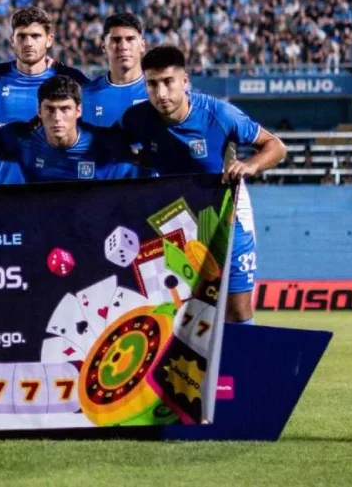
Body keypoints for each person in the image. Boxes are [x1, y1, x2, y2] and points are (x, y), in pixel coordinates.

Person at [121, 45, 287, 324]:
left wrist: (250, 165)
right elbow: (123, 153)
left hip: (227, 216)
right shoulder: (136, 119)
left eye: (168, 82)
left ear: (184, 80)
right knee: (177, 310)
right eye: (152, 84)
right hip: (175, 220)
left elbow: (276, 146)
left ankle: (240, 353)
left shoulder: (219, 115)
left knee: (237, 311)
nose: (161, 93)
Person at [0, 7, 89, 184]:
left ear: (49, 40)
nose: (28, 43)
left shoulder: (71, 78)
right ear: (12, 40)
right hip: (8, 190)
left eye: (36, 36)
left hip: (58, 190)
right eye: (22, 36)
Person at [0, 76, 147, 182]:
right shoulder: (22, 138)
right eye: (50, 109)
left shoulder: (103, 142)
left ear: (78, 111)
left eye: (65, 109)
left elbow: (145, 158)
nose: (57, 117)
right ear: (39, 111)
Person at [81, 13, 148, 128]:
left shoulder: (159, 93)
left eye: (130, 39)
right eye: (116, 40)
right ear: (104, 47)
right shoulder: (85, 96)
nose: (123, 47)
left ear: (142, 45)